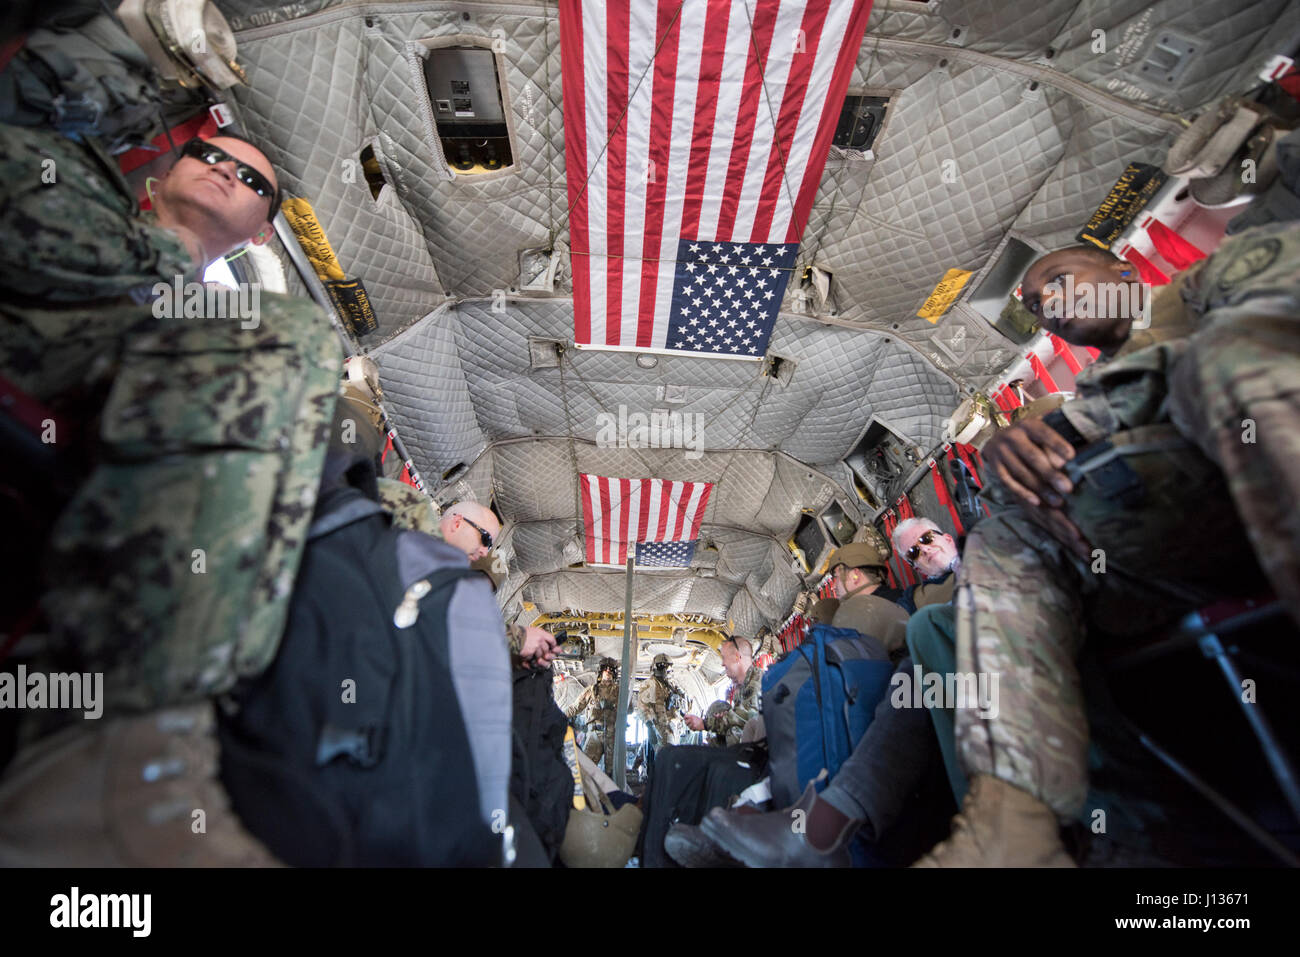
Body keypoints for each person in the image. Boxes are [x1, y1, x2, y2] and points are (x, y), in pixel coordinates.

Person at [916, 221, 1300, 866]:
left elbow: (1274, 319)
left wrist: (1108, 410)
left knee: (1223, 355)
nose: (1049, 307)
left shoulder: (1205, 290)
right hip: (1157, 561)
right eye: (1037, 306)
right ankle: (1016, 826)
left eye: (1060, 283)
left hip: (1254, 498)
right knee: (1003, 537)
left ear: (1125, 275)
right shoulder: (1072, 399)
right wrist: (1010, 455)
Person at [684, 637, 760, 748]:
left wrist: (704, 723)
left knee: (733, 732)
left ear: (737, 657)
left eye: (724, 658)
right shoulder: (742, 687)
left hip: (769, 754)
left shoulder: (758, 681)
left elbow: (746, 717)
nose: (723, 664)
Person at [637, 654, 686, 775]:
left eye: (666, 667)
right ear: (654, 668)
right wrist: (650, 726)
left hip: (673, 729)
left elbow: (685, 704)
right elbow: (642, 706)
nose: (663, 670)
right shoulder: (650, 684)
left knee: (673, 762)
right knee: (665, 762)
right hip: (659, 729)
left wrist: (679, 696)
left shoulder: (672, 685)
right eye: (661, 667)